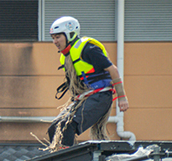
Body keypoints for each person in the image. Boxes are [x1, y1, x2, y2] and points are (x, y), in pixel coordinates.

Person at [46, 16, 129, 149]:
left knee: (67, 126)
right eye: (53, 38)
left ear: (70, 34)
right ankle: (58, 158)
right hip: (85, 97)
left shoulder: (88, 49)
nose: (55, 41)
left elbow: (113, 69)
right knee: (54, 128)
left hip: (101, 97)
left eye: (58, 37)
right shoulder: (66, 57)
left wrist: (122, 97)